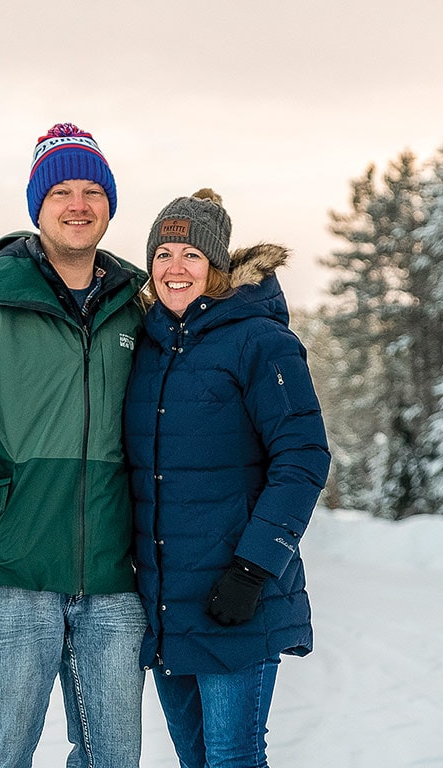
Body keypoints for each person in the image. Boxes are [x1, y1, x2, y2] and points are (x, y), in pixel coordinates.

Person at [0, 123, 149, 768]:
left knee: (114, 760)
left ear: (109, 205)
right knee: (4, 754)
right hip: (8, 573)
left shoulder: (136, 302)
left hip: (112, 577)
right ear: (37, 206)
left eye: (93, 190)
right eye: (62, 191)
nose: (78, 204)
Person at [123, 188, 331, 767]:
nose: (175, 268)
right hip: (167, 603)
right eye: (163, 254)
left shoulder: (261, 341)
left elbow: (304, 457)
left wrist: (252, 568)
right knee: (196, 761)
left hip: (237, 596)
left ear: (217, 266)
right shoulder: (146, 348)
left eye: (191, 254)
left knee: (233, 759)